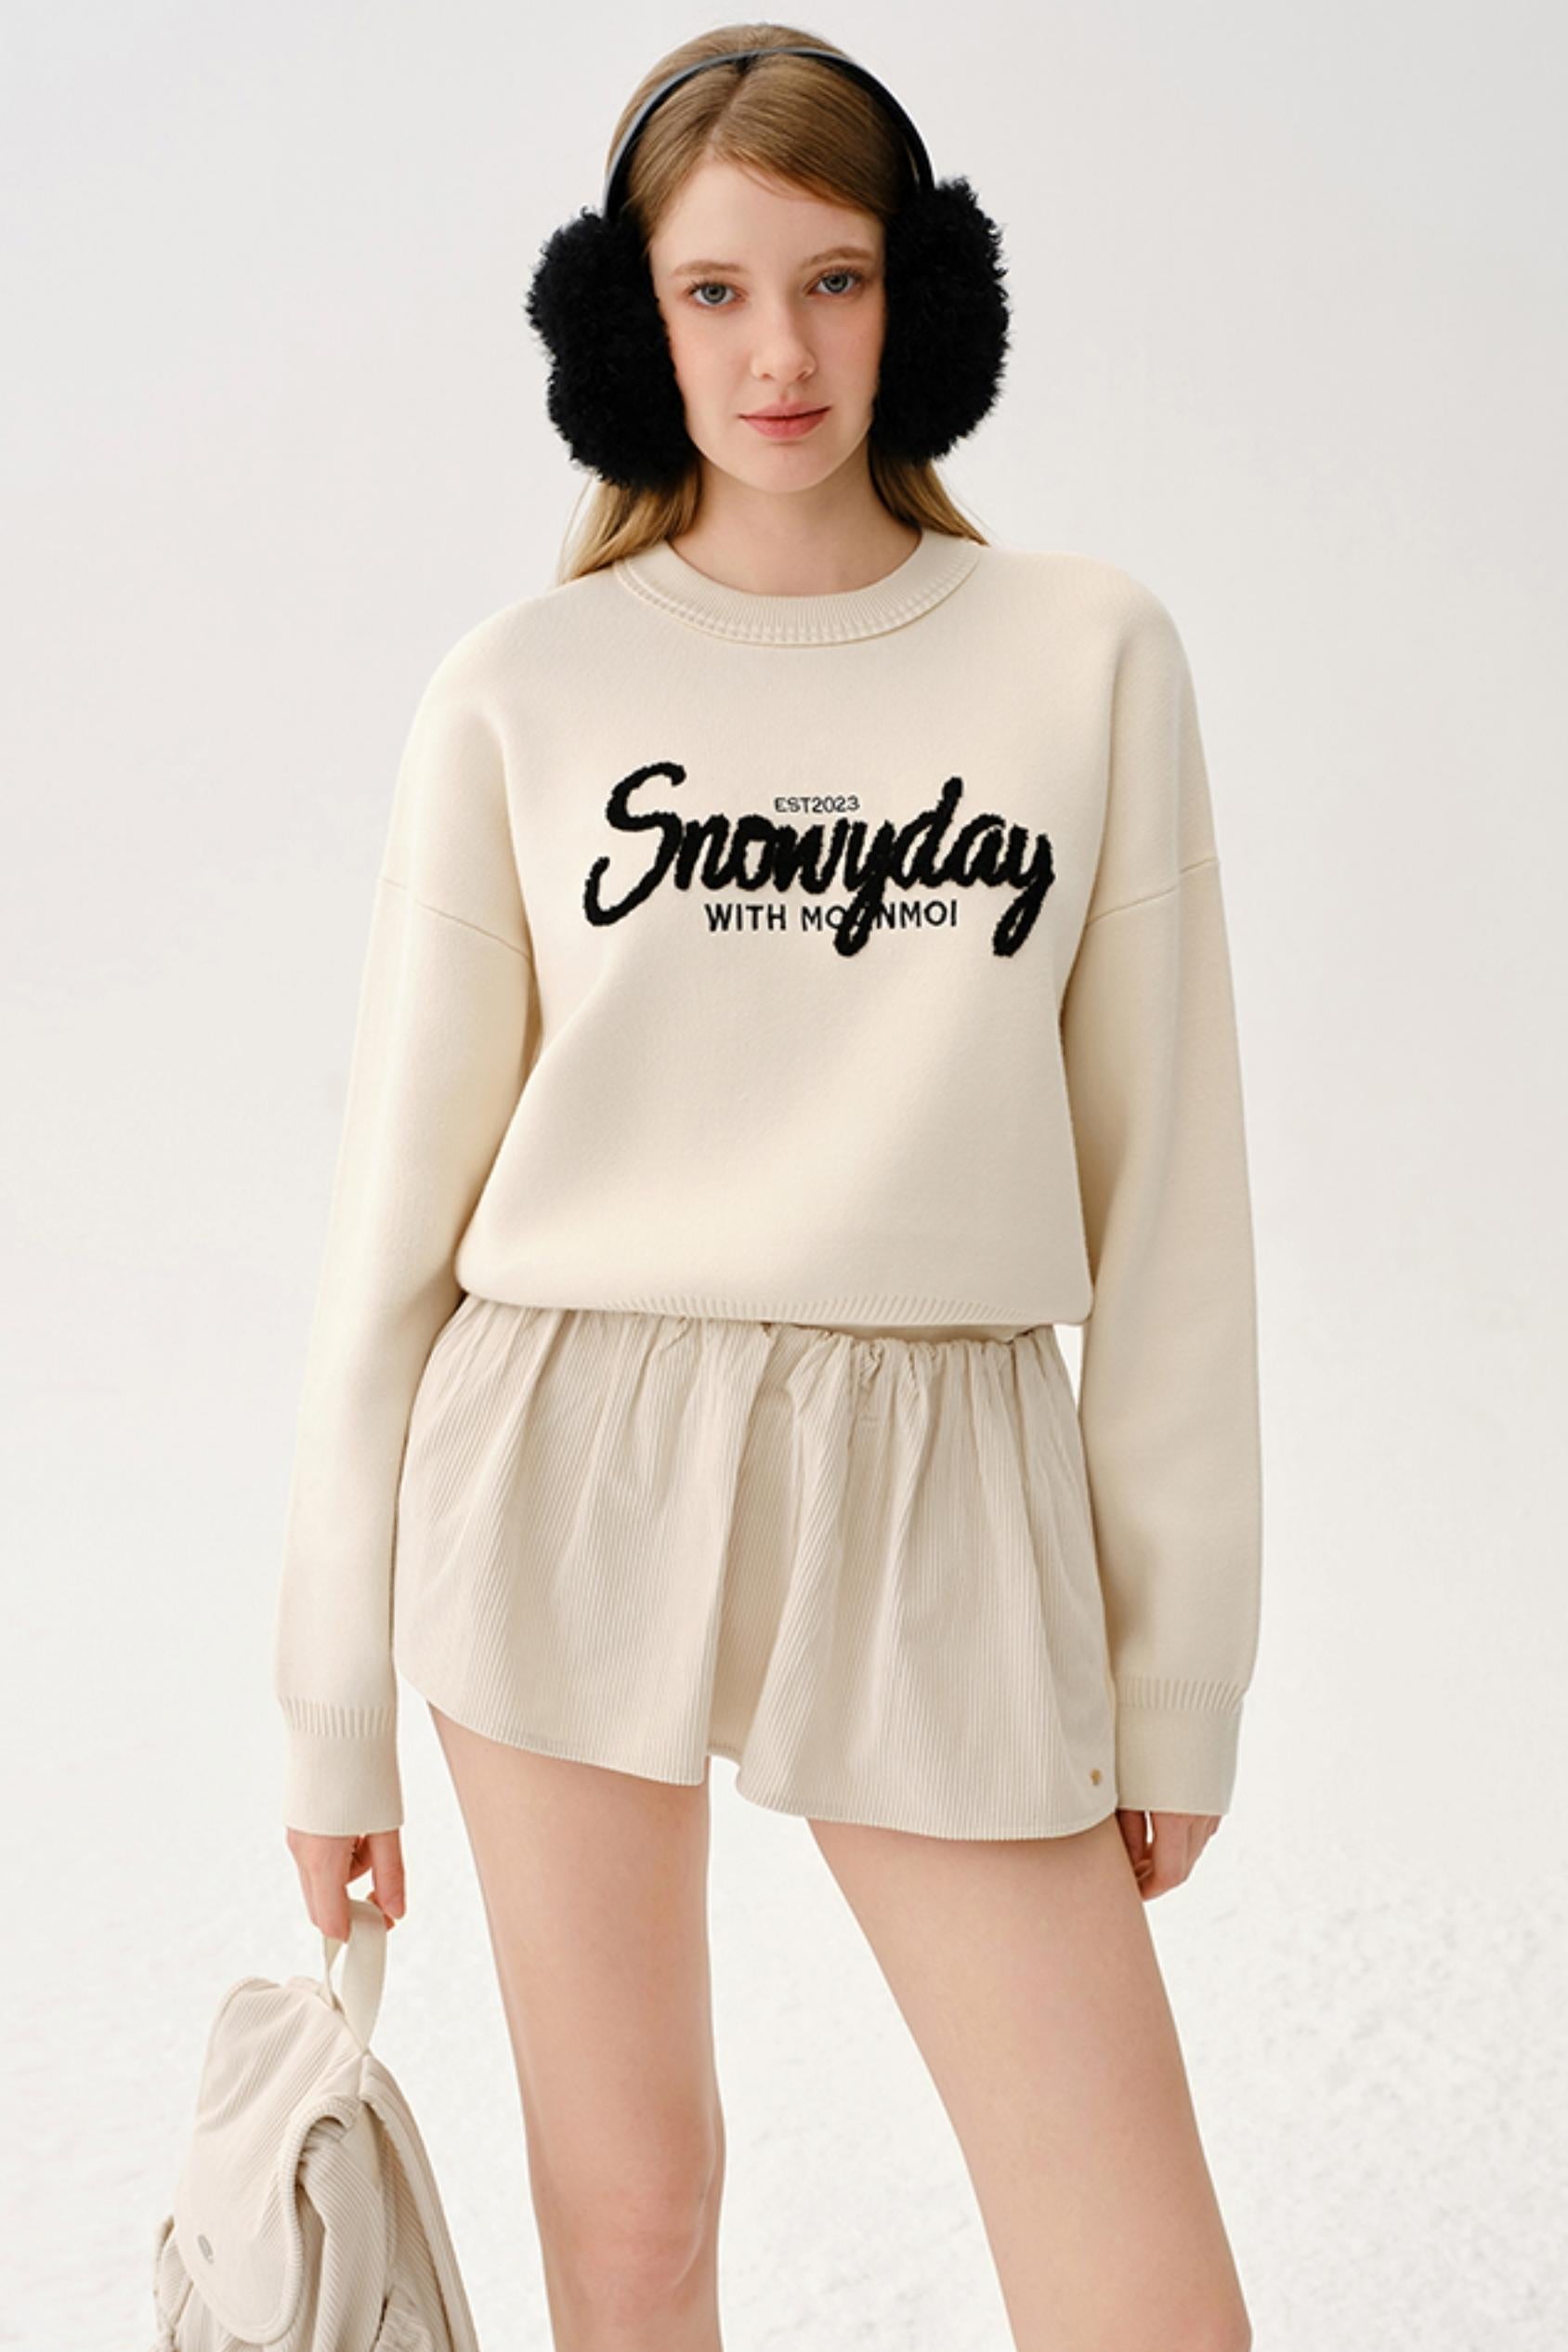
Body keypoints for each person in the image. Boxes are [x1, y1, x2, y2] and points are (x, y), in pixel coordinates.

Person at [273, 26, 1261, 2350]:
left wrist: (1175, 1670)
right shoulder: (522, 688)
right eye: (711, 293)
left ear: (923, 296)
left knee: (1138, 2281)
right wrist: (328, 1701)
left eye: (831, 279)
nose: (780, 354)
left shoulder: (1082, 655)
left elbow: (1172, 1203)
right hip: (559, 1451)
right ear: (629, 325)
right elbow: (387, 1230)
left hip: (939, 1476)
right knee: (633, 2223)